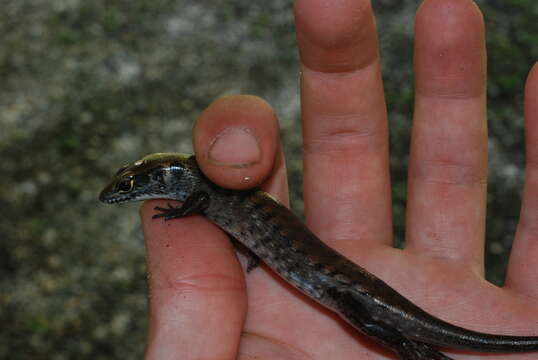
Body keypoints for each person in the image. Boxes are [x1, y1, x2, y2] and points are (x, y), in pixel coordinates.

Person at [140, 0, 538, 358]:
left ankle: (405, 346)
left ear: (164, 176)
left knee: (364, 323)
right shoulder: (211, 193)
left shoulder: (204, 193)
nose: (133, 192)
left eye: (134, 186)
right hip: (337, 280)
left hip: (338, 286)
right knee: (362, 321)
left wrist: (182, 215)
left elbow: (212, 209)